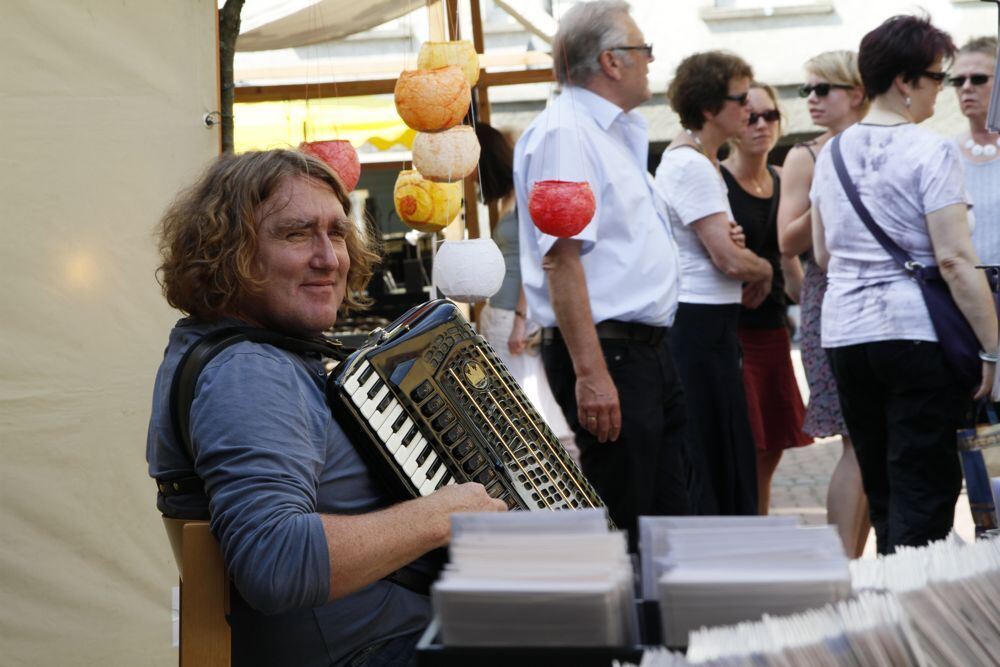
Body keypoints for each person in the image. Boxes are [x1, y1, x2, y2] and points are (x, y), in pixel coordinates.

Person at [147, 149, 505, 666]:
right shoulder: (249, 373)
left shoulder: (248, 355)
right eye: (296, 234)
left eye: (337, 233)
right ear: (228, 251)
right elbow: (277, 562)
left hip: (391, 636)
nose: (330, 258)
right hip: (368, 652)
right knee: (586, 624)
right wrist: (443, 514)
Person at [811, 15, 998, 554]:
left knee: (884, 484)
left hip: (846, 334)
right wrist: (991, 348)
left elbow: (823, 254)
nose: (942, 90)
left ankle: (893, 596)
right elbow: (956, 260)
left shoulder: (832, 153)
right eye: (938, 78)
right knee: (925, 485)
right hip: (914, 334)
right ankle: (915, 609)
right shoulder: (931, 150)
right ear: (904, 81)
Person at [513, 0, 691, 544]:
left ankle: (665, 628)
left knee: (667, 517)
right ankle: (627, 631)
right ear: (612, 61)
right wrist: (592, 373)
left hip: (643, 350)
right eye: (644, 51)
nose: (651, 61)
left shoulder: (613, 132)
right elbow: (561, 259)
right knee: (628, 521)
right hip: (609, 353)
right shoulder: (567, 133)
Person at [655, 51, 773, 516]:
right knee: (712, 445)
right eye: (740, 99)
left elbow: (718, 242)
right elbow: (726, 258)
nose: (749, 108)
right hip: (699, 324)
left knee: (716, 444)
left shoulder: (697, 161)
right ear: (709, 107)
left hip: (703, 321)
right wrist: (762, 268)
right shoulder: (693, 166)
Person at [777, 50, 871, 557]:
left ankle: (856, 561)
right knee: (856, 442)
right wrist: (827, 191)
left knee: (873, 443)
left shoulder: (877, 144)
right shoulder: (805, 156)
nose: (810, 100)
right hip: (830, 300)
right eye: (805, 90)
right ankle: (842, 563)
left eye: (822, 89)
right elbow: (788, 241)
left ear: (856, 93)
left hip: (877, 303)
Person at [720, 82, 812, 515]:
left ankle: (759, 518)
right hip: (733, 332)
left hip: (774, 328)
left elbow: (787, 262)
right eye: (751, 116)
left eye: (770, 116)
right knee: (746, 442)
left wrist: (809, 302)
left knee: (773, 441)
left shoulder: (780, 180)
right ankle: (750, 524)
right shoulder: (717, 180)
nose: (761, 125)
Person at [474, 122, 579, 462]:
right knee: (514, 406)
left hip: (512, 316)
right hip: (501, 313)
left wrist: (522, 318)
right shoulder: (510, 198)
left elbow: (536, 261)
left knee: (523, 406)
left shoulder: (523, 198)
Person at [951, 36, 1000, 268]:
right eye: (958, 81)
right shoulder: (943, 155)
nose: (966, 87)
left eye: (978, 79)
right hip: (964, 294)